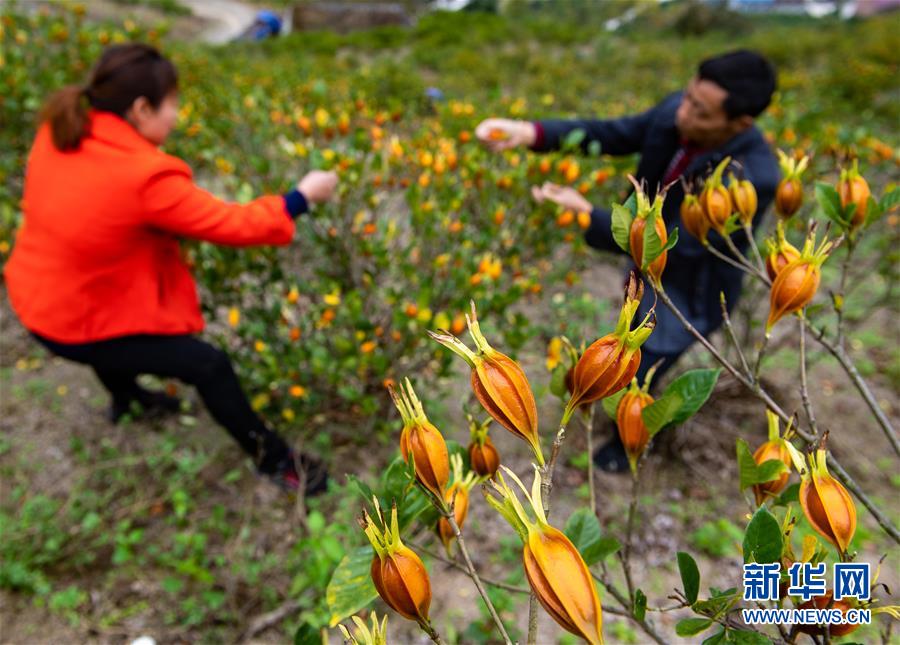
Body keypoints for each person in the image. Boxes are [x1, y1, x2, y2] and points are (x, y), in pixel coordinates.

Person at [4, 44, 337, 495]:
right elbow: (233, 223)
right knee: (208, 365)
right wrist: (302, 197)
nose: (177, 116)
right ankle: (278, 462)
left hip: (36, 300)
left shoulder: (61, 130)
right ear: (141, 108)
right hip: (74, 323)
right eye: (173, 104)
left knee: (114, 330)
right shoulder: (146, 177)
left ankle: (128, 400)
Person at [475, 50, 779, 472]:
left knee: (650, 357)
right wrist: (532, 132)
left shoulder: (754, 176)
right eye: (688, 97)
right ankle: (610, 404)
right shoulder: (678, 110)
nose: (683, 113)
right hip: (642, 265)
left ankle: (625, 445)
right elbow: (615, 133)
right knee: (625, 348)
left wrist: (589, 217)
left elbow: (684, 246)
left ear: (740, 123)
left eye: (700, 111)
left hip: (689, 288)